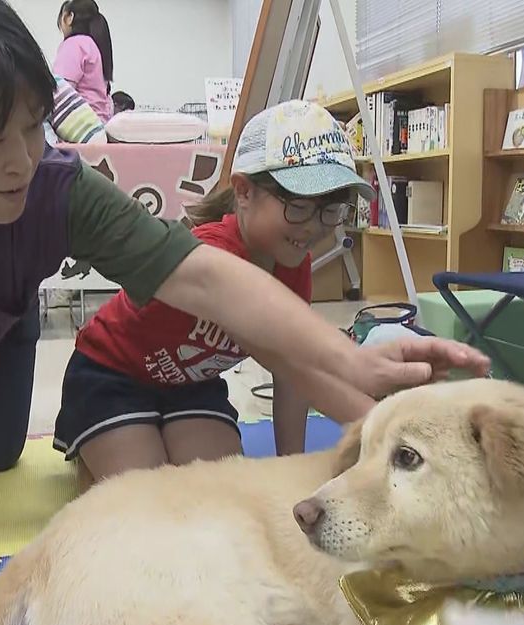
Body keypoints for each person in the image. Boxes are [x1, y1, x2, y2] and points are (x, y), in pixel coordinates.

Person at [0, 0, 488, 582]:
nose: (23, 160)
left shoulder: (55, 185)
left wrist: (357, 362)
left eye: (31, 128)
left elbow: (202, 275)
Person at [56, 100, 372, 481]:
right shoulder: (211, 251)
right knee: (145, 498)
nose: (313, 228)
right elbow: (297, 363)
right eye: (300, 206)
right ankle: (93, 446)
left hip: (191, 387)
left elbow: (292, 374)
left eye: (330, 210)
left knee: (220, 493)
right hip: (112, 374)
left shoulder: (294, 264)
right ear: (243, 191)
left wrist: (294, 472)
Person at [54, 0, 112, 122]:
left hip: (81, 124)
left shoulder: (74, 44)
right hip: (99, 123)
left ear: (70, 17)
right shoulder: (93, 45)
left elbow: (60, 93)